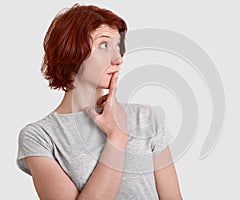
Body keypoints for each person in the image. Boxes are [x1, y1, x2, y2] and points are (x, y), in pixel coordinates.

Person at [16, 3, 183, 200]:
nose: (118, 59)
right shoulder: (40, 137)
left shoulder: (146, 118)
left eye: (118, 48)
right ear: (70, 49)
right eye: (104, 45)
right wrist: (117, 137)